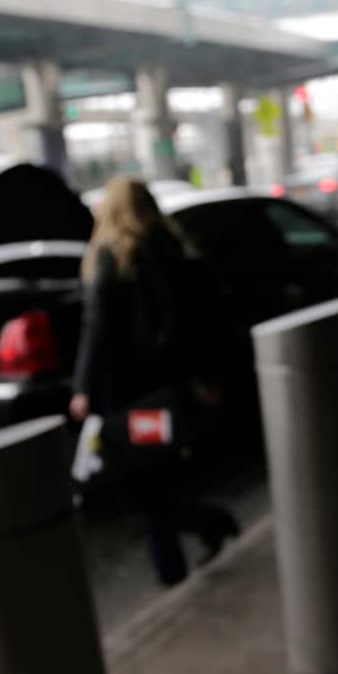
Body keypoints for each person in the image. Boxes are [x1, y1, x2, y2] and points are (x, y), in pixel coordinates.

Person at [71, 177, 238, 586]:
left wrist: (83, 388)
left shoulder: (111, 257)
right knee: (156, 476)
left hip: (129, 392)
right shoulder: (173, 249)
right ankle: (195, 540)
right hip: (168, 387)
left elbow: (98, 328)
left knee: (141, 486)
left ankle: (189, 550)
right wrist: (204, 376)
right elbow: (200, 318)